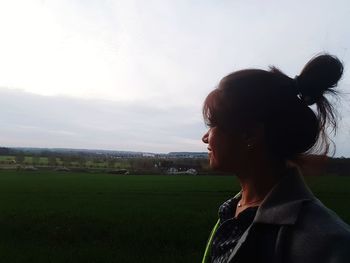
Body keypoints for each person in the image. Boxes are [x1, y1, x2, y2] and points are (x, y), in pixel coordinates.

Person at [200, 54, 350, 263]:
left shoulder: (328, 244)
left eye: (213, 125)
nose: (205, 137)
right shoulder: (231, 212)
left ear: (249, 134)